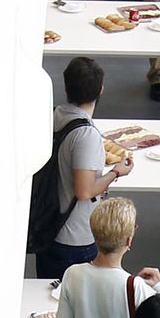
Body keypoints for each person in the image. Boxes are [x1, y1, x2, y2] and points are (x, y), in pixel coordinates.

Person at [39, 55, 131, 280]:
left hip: (49, 225)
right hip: (74, 237)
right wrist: (116, 172)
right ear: (101, 89)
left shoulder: (54, 115)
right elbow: (85, 190)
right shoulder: (85, 134)